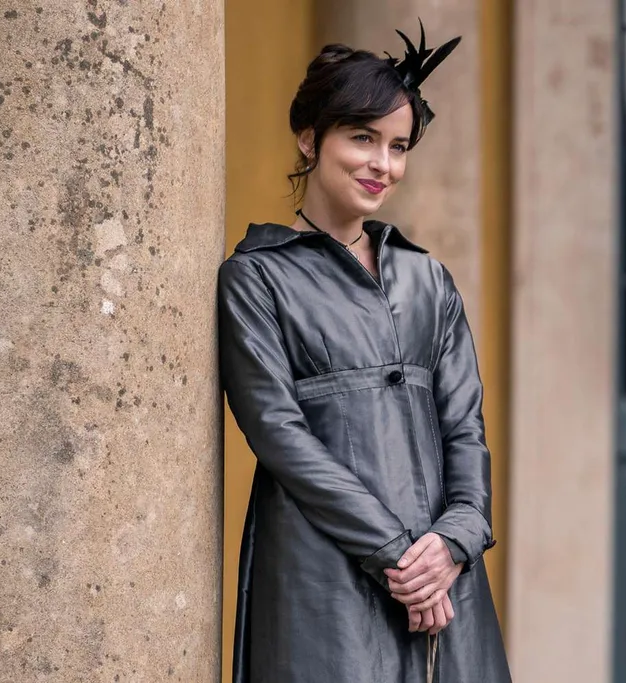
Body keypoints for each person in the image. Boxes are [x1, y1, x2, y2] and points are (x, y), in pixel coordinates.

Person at [218, 22, 512, 683]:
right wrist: (399, 557)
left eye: (399, 146)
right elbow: (279, 434)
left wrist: (458, 537)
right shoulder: (256, 278)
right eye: (363, 138)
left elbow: (465, 426)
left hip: (445, 577)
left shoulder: (428, 279)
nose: (384, 163)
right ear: (309, 137)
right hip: (323, 577)